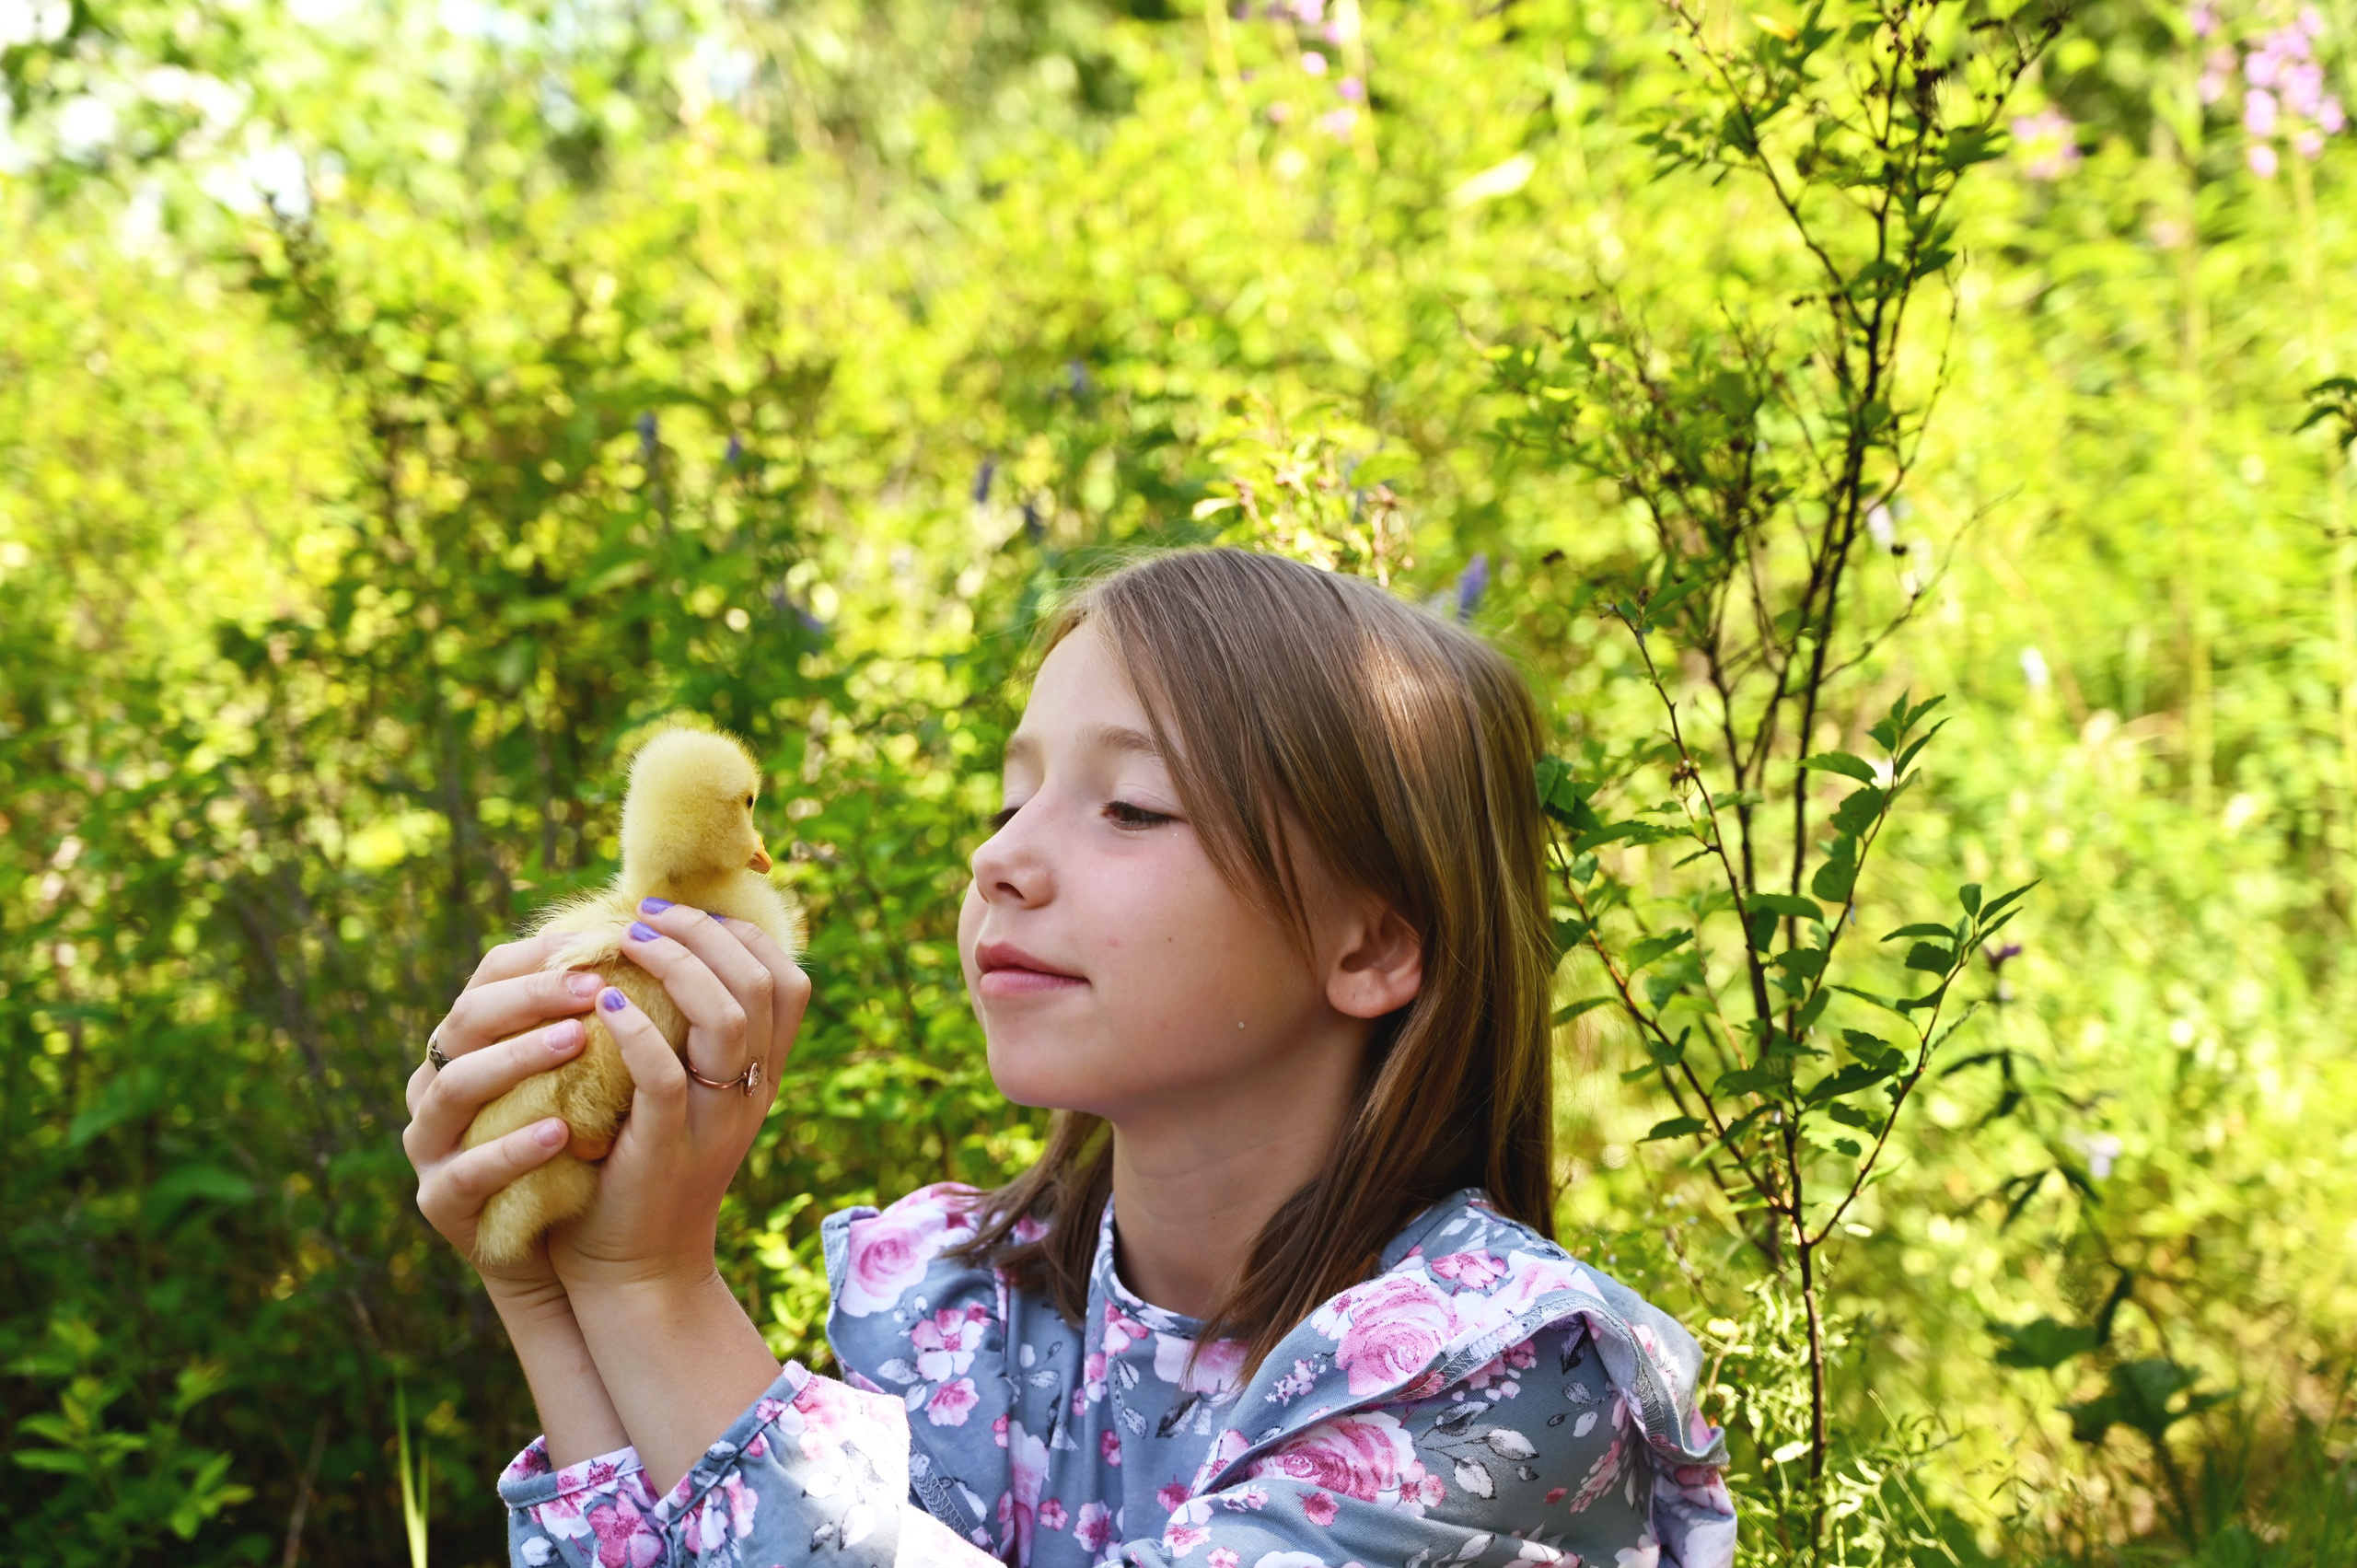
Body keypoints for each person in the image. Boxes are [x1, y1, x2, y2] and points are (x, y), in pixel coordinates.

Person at [401, 548, 1737, 1567]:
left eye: (1131, 806)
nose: (999, 859)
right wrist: (563, 1289)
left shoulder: (1506, 1383)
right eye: (1010, 796)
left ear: (1373, 945)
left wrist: (655, 1293)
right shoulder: (977, 1322)